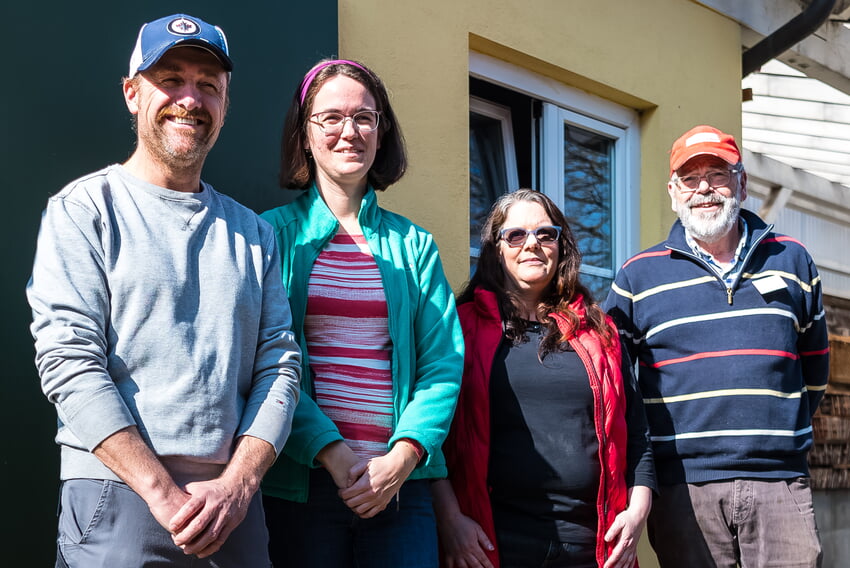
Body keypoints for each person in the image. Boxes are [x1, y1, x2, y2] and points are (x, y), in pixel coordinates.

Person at [26, 14, 302, 567]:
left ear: (225, 103)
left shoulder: (255, 233)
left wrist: (239, 485)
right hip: (117, 497)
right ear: (132, 93)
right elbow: (69, 362)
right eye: (170, 78)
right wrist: (162, 493)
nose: (189, 98)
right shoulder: (84, 211)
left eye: (208, 85)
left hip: (231, 511)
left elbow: (281, 366)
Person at [259, 59, 464, 567]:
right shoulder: (268, 236)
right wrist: (332, 451)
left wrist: (402, 456)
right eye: (330, 118)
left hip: (401, 488)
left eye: (364, 118)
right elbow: (263, 361)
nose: (348, 131)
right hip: (301, 485)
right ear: (305, 134)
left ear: (381, 131)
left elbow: (442, 363)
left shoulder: (414, 245)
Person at [603, 125, 830, 567]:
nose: (704, 188)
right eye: (689, 178)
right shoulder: (638, 277)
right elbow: (612, 381)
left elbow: (814, 373)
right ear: (673, 192)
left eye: (717, 174)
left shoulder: (793, 261)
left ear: (741, 183)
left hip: (780, 484)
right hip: (683, 490)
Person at [432, 189, 655, 568]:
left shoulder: (601, 334)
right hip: (494, 542)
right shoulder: (461, 327)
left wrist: (637, 515)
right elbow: (431, 435)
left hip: (591, 544)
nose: (531, 244)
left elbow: (638, 438)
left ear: (560, 246)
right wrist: (449, 520)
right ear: (496, 249)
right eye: (515, 235)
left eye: (545, 234)